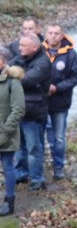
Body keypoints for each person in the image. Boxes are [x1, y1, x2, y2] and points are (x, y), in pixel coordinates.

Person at [43, 23, 77, 181]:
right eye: (50, 33)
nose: (53, 36)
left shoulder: (70, 54)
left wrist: (58, 88)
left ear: (62, 36)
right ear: (46, 35)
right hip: (40, 102)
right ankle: (37, 168)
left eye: (56, 33)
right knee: (39, 137)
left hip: (60, 102)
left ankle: (58, 166)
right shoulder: (39, 51)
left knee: (58, 137)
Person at [11, 33, 50, 191]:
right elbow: (7, 69)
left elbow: (27, 81)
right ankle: (21, 174)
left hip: (34, 113)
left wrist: (11, 77)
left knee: (34, 148)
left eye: (23, 45)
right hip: (19, 111)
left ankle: (37, 178)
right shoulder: (22, 57)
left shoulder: (43, 62)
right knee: (19, 147)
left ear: (34, 47)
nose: (19, 48)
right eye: (20, 45)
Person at [0, 48, 26, 217]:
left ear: (3, 61)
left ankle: (9, 202)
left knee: (8, 166)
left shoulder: (12, 81)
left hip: (6, 134)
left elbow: (18, 109)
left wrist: (5, 131)